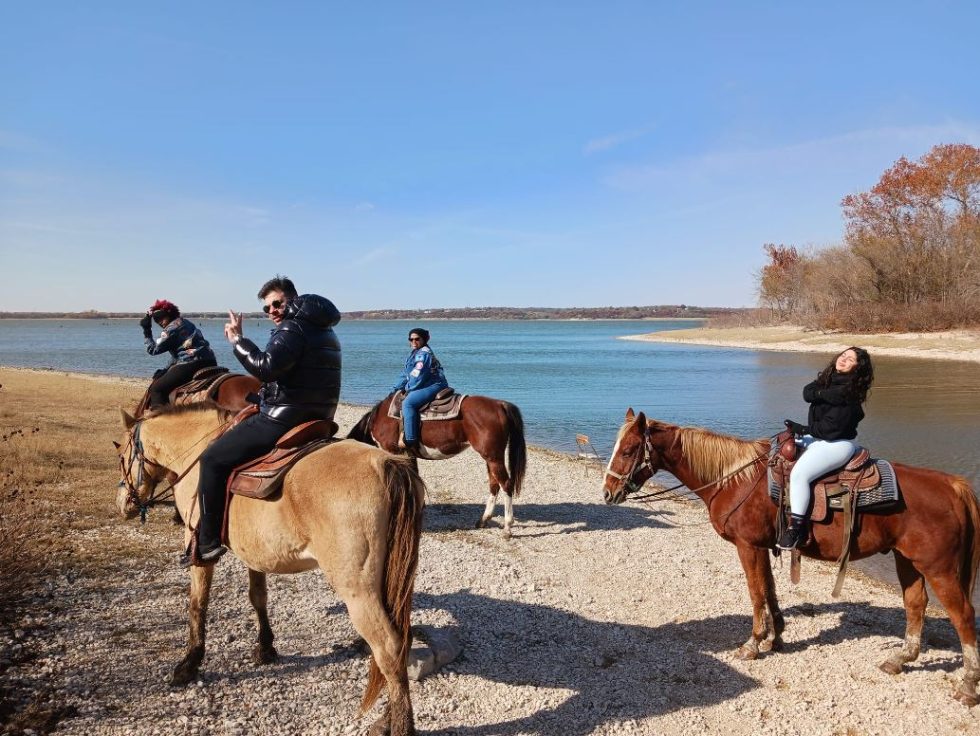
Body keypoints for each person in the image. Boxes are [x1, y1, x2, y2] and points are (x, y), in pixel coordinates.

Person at [182, 276, 342, 566]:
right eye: (268, 308)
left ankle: (207, 542)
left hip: (283, 418)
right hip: (318, 416)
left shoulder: (292, 329)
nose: (273, 311)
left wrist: (237, 341)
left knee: (213, 460)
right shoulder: (323, 330)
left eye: (278, 303)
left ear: (292, 299)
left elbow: (266, 368)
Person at [777, 346, 875, 550]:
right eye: (843, 355)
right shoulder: (829, 379)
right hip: (817, 438)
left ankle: (796, 528)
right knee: (775, 452)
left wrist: (803, 428)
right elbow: (807, 392)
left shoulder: (851, 394)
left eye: (850, 359)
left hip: (836, 444)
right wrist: (824, 393)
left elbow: (831, 429)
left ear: (858, 368)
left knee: (799, 475)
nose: (843, 360)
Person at [140, 299, 217, 409]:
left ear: (169, 314)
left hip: (191, 364)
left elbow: (153, 350)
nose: (160, 322)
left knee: (157, 389)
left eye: (162, 318)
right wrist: (166, 369)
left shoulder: (170, 329)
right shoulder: (186, 322)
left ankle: (160, 419)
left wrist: (146, 330)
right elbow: (177, 354)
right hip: (210, 360)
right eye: (157, 320)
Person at [390, 327, 449, 452]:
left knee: (408, 403)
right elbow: (406, 374)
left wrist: (407, 389)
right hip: (424, 383)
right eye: (411, 339)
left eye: (417, 339)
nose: (413, 342)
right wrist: (396, 388)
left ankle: (410, 439)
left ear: (424, 340)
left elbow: (418, 375)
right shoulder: (414, 353)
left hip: (434, 384)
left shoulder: (423, 354)